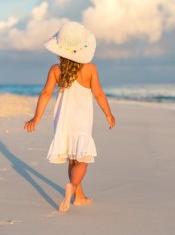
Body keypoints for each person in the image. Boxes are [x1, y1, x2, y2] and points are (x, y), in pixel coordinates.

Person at [24, 22, 115, 212]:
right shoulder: (90, 69)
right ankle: (72, 187)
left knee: (72, 159)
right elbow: (99, 94)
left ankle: (79, 197)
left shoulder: (56, 70)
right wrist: (108, 114)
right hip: (81, 122)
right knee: (82, 160)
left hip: (63, 122)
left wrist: (36, 118)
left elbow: (46, 93)